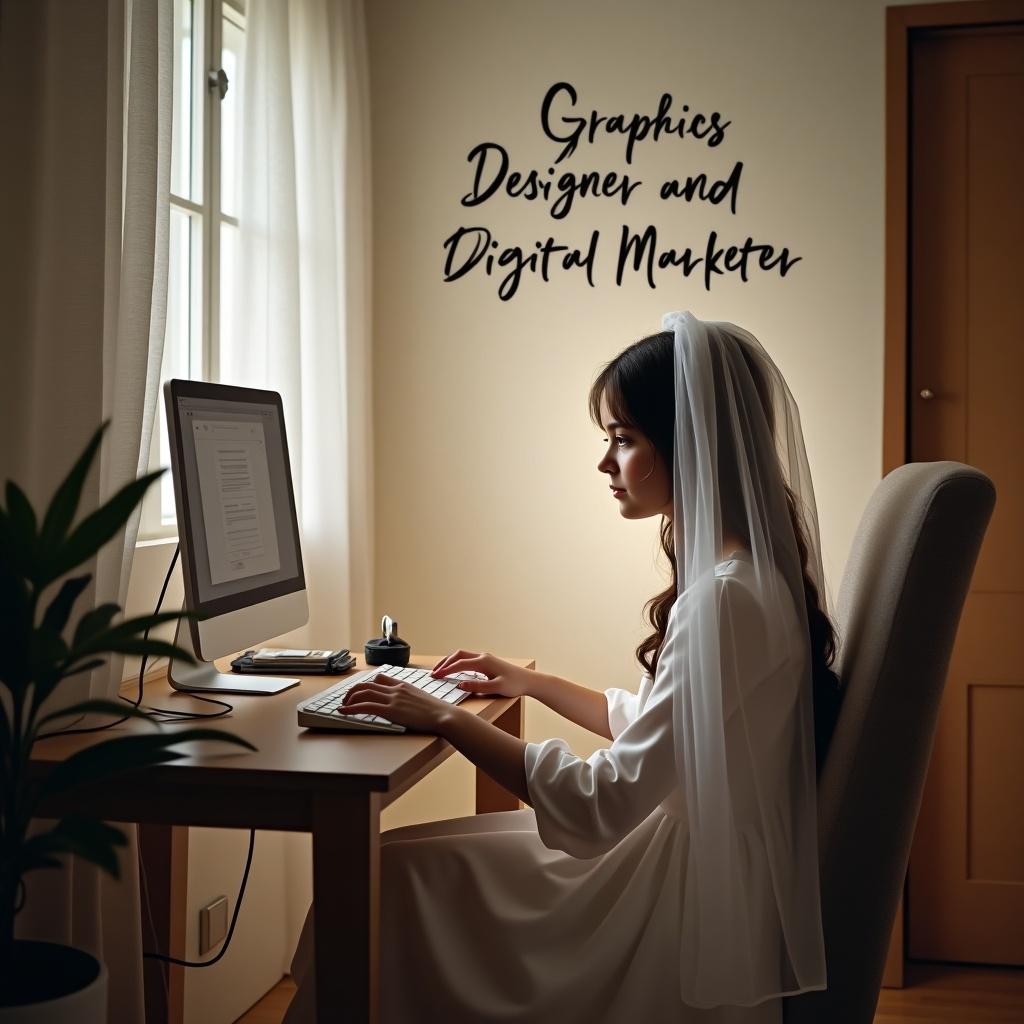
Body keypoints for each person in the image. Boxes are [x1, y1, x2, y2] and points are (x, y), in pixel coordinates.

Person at [283, 311, 843, 1023]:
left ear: (690, 446)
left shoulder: (727, 600)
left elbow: (600, 807)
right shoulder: (747, 579)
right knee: (396, 863)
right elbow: (666, 733)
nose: (605, 464)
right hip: (693, 870)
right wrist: (533, 685)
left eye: (624, 440)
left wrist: (445, 716)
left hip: (671, 906)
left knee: (389, 875)